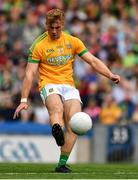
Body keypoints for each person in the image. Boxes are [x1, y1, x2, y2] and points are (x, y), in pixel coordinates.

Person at [13, 9, 120, 173]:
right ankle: (57, 129)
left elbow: (92, 60)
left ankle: (62, 164)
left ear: (62, 25)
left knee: (75, 122)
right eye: (51, 28)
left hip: (69, 85)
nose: (54, 31)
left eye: (57, 27)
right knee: (57, 108)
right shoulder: (38, 45)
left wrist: (109, 74)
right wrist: (23, 100)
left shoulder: (73, 41)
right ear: (46, 25)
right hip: (49, 84)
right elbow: (29, 74)